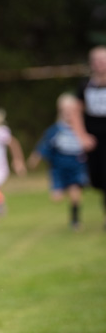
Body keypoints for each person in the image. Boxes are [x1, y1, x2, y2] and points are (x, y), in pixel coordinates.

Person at [28, 94, 89, 230]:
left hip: (76, 167)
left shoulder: (82, 129)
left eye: (71, 110)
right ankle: (62, 188)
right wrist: (35, 158)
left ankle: (75, 221)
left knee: (75, 195)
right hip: (58, 168)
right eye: (64, 110)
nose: (68, 113)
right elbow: (44, 146)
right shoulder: (56, 130)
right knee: (57, 198)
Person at [72, 46, 106, 228]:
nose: (101, 64)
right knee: (97, 179)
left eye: (104, 59)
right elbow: (76, 112)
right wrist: (82, 136)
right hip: (94, 140)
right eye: (97, 60)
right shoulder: (85, 86)